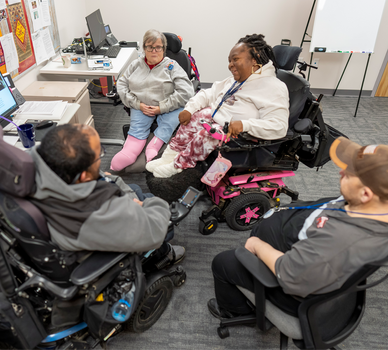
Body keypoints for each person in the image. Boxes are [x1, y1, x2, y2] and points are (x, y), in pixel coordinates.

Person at [208, 137, 388, 319]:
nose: (341, 172)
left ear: (366, 194)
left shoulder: (340, 240)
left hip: (291, 284)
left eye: (348, 174)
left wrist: (257, 245)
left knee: (223, 262)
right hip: (297, 241)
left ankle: (234, 311)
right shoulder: (372, 205)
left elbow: (290, 275)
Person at [29, 124, 185, 269]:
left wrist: (113, 182)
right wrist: (150, 205)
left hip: (87, 214)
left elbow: (100, 178)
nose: (101, 158)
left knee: (135, 188)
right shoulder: (96, 212)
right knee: (166, 225)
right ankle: (163, 255)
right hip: (102, 243)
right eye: (100, 154)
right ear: (83, 176)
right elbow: (154, 230)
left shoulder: (37, 165)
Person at [146, 33, 289, 178]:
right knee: (195, 117)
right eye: (229, 61)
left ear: (254, 59)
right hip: (220, 120)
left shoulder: (273, 87)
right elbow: (209, 93)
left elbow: (279, 126)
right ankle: (168, 157)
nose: (230, 65)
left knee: (208, 134)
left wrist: (245, 125)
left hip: (239, 135)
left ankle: (178, 165)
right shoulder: (238, 79)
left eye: (235, 60)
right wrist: (190, 109)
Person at [111, 29, 194, 171]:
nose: (154, 51)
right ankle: (129, 151)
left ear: (164, 49)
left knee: (172, 120)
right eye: (150, 47)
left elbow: (187, 91)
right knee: (137, 129)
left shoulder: (172, 66)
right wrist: (137, 104)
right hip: (141, 106)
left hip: (169, 106)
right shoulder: (136, 64)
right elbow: (121, 85)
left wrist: (162, 107)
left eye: (158, 47)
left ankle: (155, 145)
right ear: (144, 48)